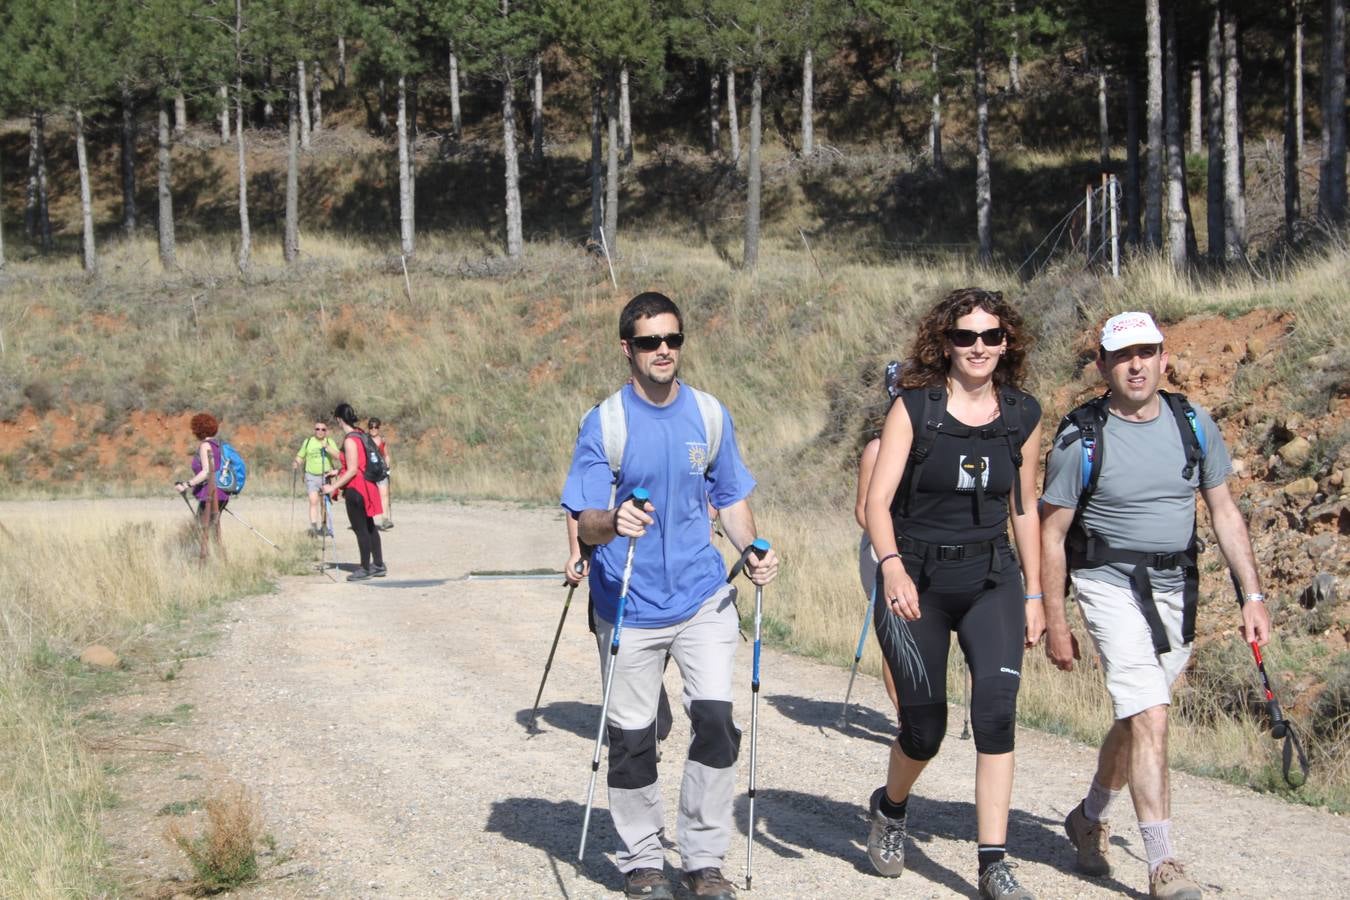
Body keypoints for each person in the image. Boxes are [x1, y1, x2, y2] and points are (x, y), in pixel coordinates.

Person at [1040, 312, 1271, 900]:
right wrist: (1056, 618)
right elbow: (1051, 531)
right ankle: (1165, 863)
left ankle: (1088, 817)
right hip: (1106, 580)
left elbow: (1223, 510)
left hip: (1177, 589)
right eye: (1122, 355)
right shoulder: (1079, 436)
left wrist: (1253, 595)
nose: (1136, 365)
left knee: (1139, 714)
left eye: (1146, 352)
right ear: (1102, 366)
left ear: (1164, 358)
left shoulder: (1192, 422)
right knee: (1152, 716)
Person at [562, 291, 778, 900]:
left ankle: (704, 861)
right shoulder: (605, 422)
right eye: (651, 341)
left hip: (702, 597)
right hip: (627, 600)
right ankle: (641, 861)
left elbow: (730, 495)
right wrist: (614, 523)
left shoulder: (709, 415)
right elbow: (585, 521)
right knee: (632, 737)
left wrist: (752, 547)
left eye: (673, 340)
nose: (665, 351)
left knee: (715, 721)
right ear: (626, 348)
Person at [862, 288, 1044, 900]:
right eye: (966, 336)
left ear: (1006, 342)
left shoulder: (1022, 414)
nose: (979, 347)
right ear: (945, 343)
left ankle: (992, 861)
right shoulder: (914, 410)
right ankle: (890, 807)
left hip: (992, 579)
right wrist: (891, 568)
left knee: (996, 714)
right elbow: (877, 506)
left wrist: (1037, 595)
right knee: (925, 729)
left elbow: (1025, 510)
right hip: (917, 581)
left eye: (991, 336)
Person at [854, 372, 901, 715]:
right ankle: (905, 717)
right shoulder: (877, 449)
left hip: (923, 550)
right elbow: (862, 510)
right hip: (880, 551)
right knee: (895, 638)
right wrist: (890, 539)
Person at [323, 403, 386, 582]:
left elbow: (352, 470)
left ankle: (365, 568)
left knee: (361, 530)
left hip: (357, 488)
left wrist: (332, 487)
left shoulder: (350, 440)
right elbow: (358, 464)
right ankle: (379, 564)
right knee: (370, 526)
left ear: (339, 419)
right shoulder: (360, 434)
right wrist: (337, 472)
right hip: (368, 485)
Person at [175, 412, 231, 560]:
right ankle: (220, 561)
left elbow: (206, 471)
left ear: (198, 429)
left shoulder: (205, 446)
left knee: (203, 529)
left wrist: (186, 484)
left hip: (210, 494)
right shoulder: (219, 445)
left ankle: (202, 562)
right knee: (214, 528)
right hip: (223, 492)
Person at [294, 420, 340, 536]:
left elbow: (338, 456)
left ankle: (324, 526)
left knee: (324, 503)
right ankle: (314, 527)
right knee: (313, 500)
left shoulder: (329, 441)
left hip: (326, 476)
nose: (320, 431)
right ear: (314, 430)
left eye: (323, 429)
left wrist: (328, 448)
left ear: (326, 431)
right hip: (311, 476)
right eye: (317, 429)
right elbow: (301, 455)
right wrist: (296, 463)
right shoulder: (308, 441)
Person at [368, 417, 394, 531]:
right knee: (369, 497)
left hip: (381, 471)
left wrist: (388, 467)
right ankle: (367, 520)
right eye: (371, 427)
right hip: (369, 472)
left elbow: (386, 454)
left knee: (384, 495)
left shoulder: (382, 440)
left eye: (376, 427)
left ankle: (385, 519)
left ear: (379, 428)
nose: (373, 429)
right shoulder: (365, 440)